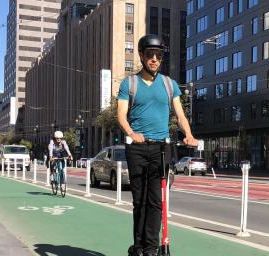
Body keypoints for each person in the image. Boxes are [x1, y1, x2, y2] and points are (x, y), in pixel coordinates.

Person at [117, 34, 198, 256]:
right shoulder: (129, 84)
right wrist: (132, 133)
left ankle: (151, 249)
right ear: (142, 56)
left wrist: (189, 134)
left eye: (159, 56)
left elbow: (180, 115)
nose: (155, 59)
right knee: (139, 200)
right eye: (150, 55)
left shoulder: (169, 84)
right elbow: (121, 115)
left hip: (162, 148)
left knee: (156, 200)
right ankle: (139, 246)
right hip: (137, 148)